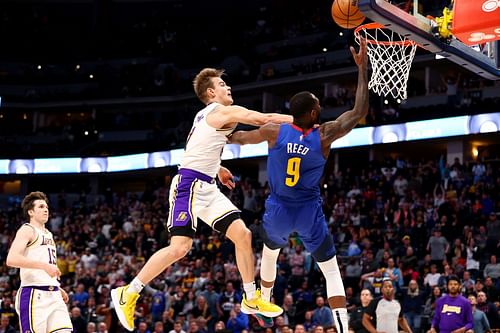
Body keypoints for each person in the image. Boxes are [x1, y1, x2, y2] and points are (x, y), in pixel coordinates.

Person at [111, 67, 291, 331]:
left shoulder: (205, 117)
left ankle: (251, 298)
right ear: (211, 92)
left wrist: (218, 167)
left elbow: (228, 141)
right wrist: (303, 119)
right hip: (189, 186)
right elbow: (263, 118)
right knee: (179, 248)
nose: (228, 87)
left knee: (243, 235)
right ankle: (129, 292)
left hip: (205, 185)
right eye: (222, 84)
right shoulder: (221, 111)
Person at [229, 38, 368, 332]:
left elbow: (238, 138)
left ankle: (263, 302)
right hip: (308, 210)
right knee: (330, 270)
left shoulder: (273, 131)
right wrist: (362, 69)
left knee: (269, 252)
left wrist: (215, 129)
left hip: (279, 208)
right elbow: (357, 112)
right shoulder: (325, 135)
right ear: (314, 113)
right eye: (319, 104)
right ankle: (343, 327)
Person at [5, 191, 72, 333]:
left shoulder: (49, 234)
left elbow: (44, 261)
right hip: (33, 294)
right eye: (41, 206)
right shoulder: (27, 230)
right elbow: (12, 259)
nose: (46, 209)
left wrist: (55, 286)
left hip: (53, 294)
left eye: (46, 207)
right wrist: (43, 266)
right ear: (31, 212)